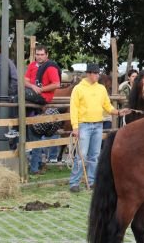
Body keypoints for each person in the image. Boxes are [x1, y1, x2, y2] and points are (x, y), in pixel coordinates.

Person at [68, 63, 130, 192]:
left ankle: (92, 181)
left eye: (97, 73)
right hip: (83, 125)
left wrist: (118, 112)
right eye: (95, 73)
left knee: (94, 155)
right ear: (89, 74)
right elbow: (74, 109)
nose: (97, 76)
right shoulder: (78, 89)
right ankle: (74, 182)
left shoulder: (101, 88)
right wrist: (75, 127)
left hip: (98, 124)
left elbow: (107, 106)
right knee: (82, 154)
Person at [24, 44, 61, 175]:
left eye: (42, 54)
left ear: (47, 55)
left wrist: (40, 89)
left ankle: (34, 168)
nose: (39, 57)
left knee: (36, 136)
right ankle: (37, 165)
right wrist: (33, 87)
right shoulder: (32, 65)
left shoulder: (50, 67)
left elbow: (56, 84)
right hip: (31, 102)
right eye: (37, 54)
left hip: (41, 102)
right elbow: (25, 81)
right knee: (33, 137)